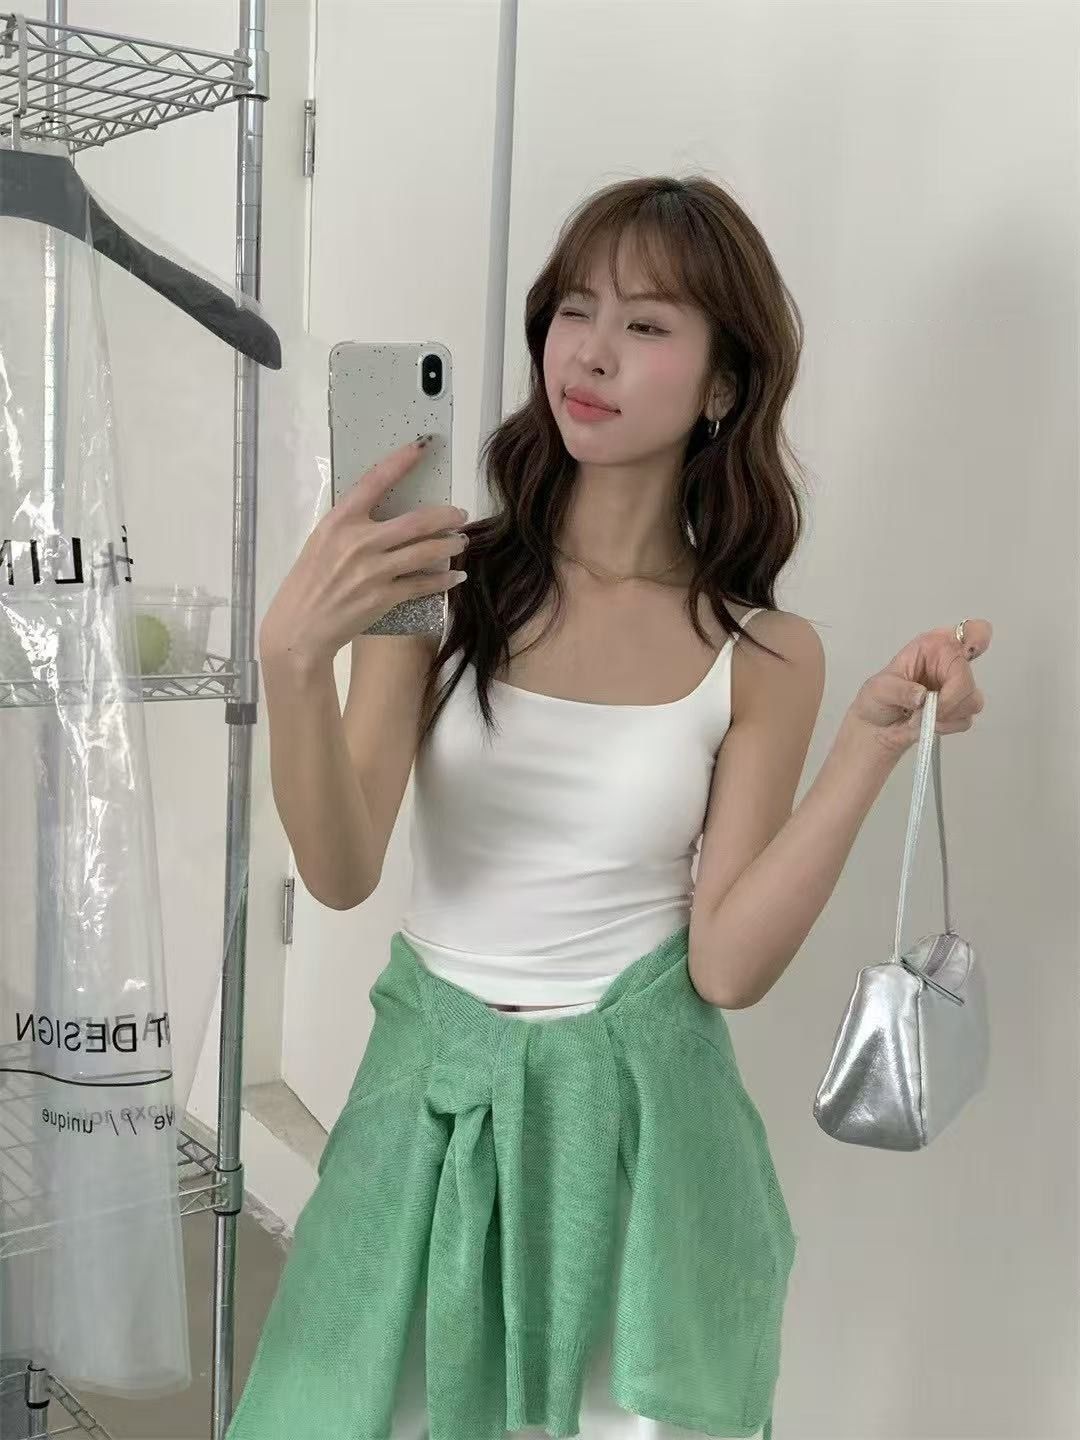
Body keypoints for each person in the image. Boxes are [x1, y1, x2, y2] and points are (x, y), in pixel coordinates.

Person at [231, 175, 990, 1440]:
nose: (591, 352)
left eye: (646, 325)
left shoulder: (763, 651)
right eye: (575, 310)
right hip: (431, 1111)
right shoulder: (445, 580)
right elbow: (344, 866)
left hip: (639, 1132)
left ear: (723, 382)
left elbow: (727, 965)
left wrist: (869, 743)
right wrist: (294, 660)